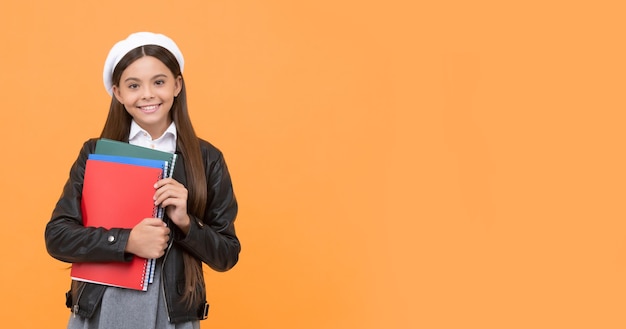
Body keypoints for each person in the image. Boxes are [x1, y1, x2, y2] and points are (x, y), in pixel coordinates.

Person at [45, 32, 240, 328]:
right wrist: (126, 241)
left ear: (177, 85)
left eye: (159, 82)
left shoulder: (206, 159)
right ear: (118, 93)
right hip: (101, 307)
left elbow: (227, 254)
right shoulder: (96, 153)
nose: (147, 94)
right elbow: (57, 237)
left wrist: (187, 222)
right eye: (133, 85)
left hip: (171, 314)